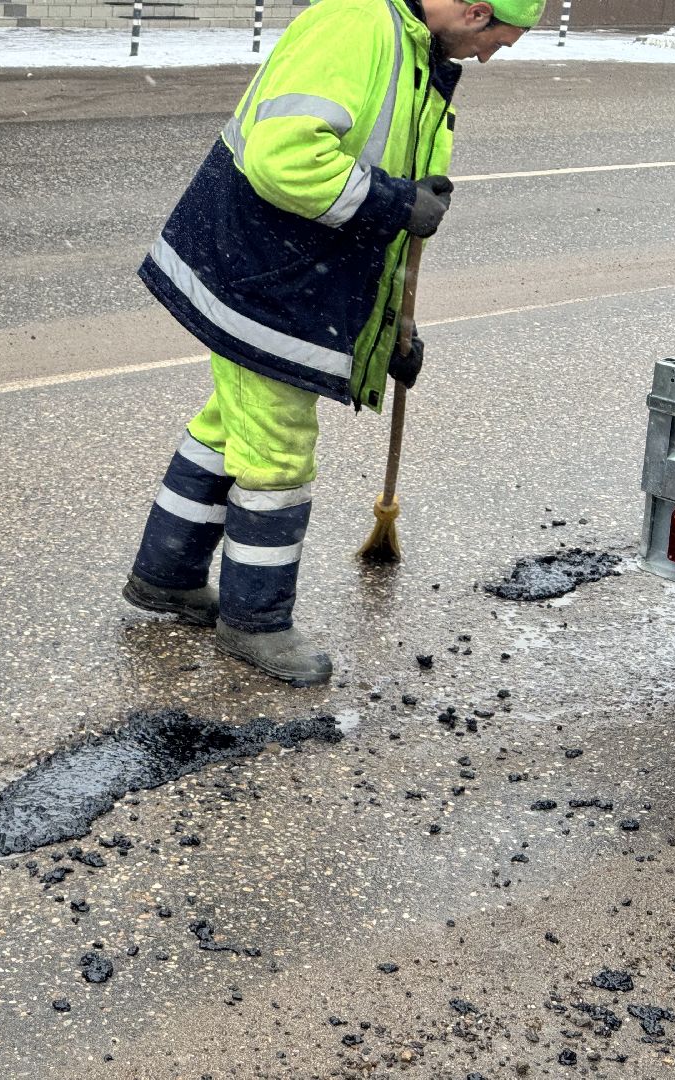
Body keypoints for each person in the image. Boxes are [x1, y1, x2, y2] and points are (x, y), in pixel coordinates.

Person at [124, 0, 544, 685]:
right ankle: (254, 622)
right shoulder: (358, 27)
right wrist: (393, 203)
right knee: (277, 452)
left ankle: (166, 575)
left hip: (284, 278)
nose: (493, 56)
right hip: (268, 277)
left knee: (229, 424)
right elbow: (285, 157)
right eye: (501, 39)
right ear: (474, 11)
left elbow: (404, 226)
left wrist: (392, 335)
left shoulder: (420, 59)